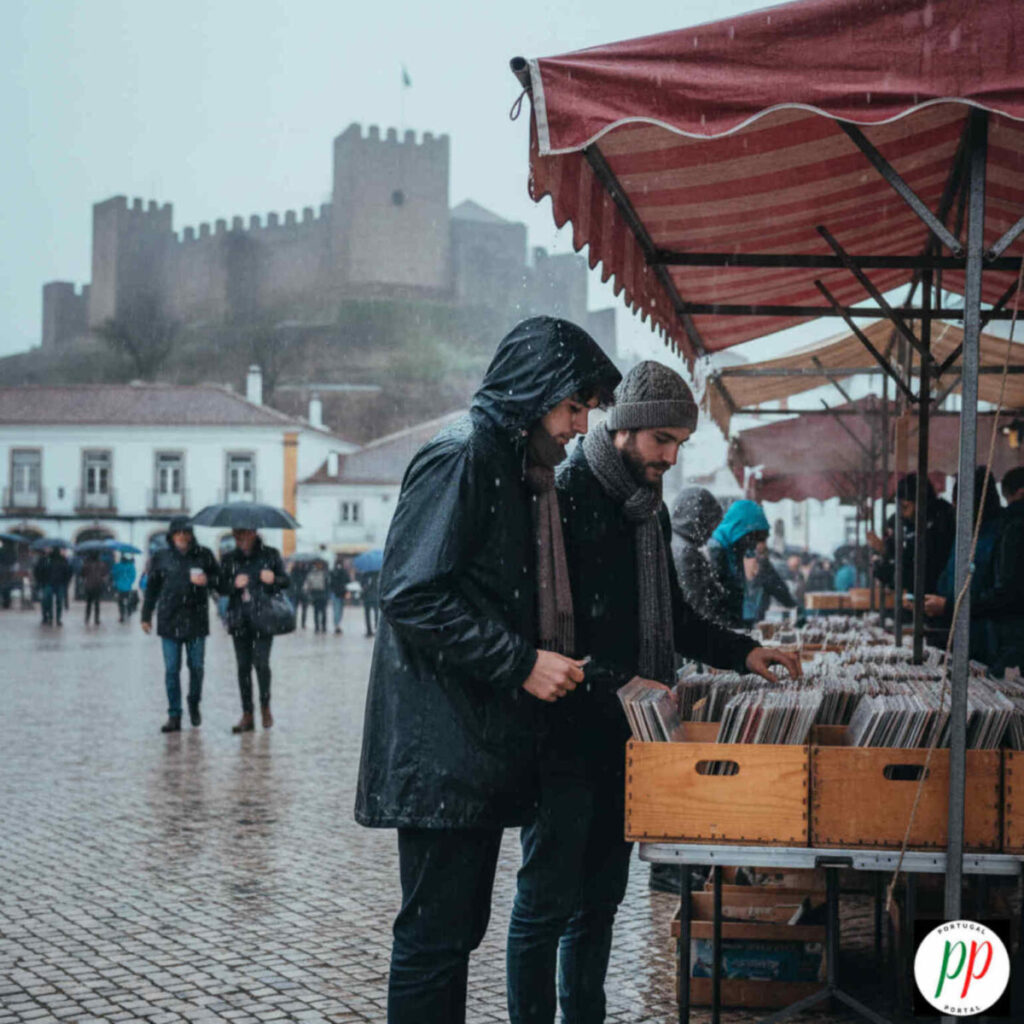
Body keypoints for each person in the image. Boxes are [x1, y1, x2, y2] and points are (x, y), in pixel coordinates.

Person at [505, 361, 802, 1024]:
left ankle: (584, 1014)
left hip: (632, 738)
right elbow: (544, 625)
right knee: (545, 901)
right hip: (561, 730)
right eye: (661, 440)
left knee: (602, 897)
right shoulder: (564, 492)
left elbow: (676, 614)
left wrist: (745, 652)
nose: (670, 456)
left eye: (678, 444)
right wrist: (614, 679)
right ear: (626, 430)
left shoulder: (649, 510)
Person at [354, 316, 621, 1024]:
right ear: (535, 394)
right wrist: (522, 663)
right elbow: (411, 593)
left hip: (466, 743)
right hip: (440, 743)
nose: (579, 425)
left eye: (587, 411)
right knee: (433, 939)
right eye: (573, 408)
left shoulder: (511, 467)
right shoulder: (463, 457)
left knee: (452, 937)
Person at [140, 518, 219, 733]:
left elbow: (219, 579)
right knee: (171, 670)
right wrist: (146, 615)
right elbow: (152, 589)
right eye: (178, 533)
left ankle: (194, 702)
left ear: (191, 534)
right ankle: (174, 714)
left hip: (196, 620)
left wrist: (207, 581)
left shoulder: (204, 555)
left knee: (197, 668)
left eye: (186, 532)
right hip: (169, 620)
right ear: (172, 535)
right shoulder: (161, 557)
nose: (182, 536)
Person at [924, 467, 1004, 666]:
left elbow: (1001, 595)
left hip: (991, 644)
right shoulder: (966, 536)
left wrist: (948, 605)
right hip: (964, 637)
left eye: (958, 502)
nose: (954, 508)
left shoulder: (1002, 535)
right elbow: (948, 579)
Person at [219, 527, 290, 733]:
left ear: (254, 533)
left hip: (263, 618)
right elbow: (219, 586)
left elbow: (286, 581)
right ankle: (247, 714)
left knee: (261, 664)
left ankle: (265, 706)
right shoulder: (229, 559)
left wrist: (273, 579)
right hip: (239, 619)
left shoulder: (270, 555)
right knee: (243, 668)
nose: (242, 539)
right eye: (237, 535)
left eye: (245, 534)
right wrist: (233, 584)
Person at [707, 500, 791, 627]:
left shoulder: (735, 550)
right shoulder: (716, 550)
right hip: (722, 628)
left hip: (738, 625)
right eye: (754, 537)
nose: (754, 544)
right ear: (742, 530)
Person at [869, 473, 955, 596]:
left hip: (938, 598)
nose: (903, 514)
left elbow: (924, 569)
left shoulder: (942, 521)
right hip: (919, 597)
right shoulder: (911, 524)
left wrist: (887, 558)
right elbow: (908, 559)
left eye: (905, 507)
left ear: (921, 503)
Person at [669, 487, 728, 625]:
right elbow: (698, 608)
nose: (712, 532)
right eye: (712, 523)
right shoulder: (685, 554)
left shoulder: (674, 542)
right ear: (700, 520)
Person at [34, 547, 71, 626]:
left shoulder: (48, 560)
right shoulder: (61, 560)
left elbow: (39, 570)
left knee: (49, 601)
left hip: (50, 583)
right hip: (54, 583)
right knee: (57, 602)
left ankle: (51, 618)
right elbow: (67, 572)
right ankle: (56, 619)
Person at [81, 552, 108, 625]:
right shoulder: (102, 564)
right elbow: (104, 574)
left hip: (89, 586)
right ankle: (96, 619)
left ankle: (87, 618)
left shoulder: (86, 564)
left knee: (88, 603)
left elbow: (82, 574)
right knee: (97, 603)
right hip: (98, 585)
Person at [304, 558, 329, 633]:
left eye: (320, 564)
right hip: (315, 593)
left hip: (322, 593)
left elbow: (327, 584)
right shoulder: (311, 573)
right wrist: (307, 590)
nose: (319, 565)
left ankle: (323, 626)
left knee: (323, 612)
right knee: (316, 612)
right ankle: (317, 627)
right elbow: (308, 583)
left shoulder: (325, 573)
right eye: (317, 564)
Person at [329, 554, 351, 635]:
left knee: (336, 609)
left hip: (335, 593)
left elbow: (330, 583)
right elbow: (348, 581)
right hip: (342, 593)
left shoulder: (333, 571)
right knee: (340, 609)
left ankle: (336, 624)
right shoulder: (344, 571)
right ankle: (337, 624)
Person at [111, 554, 137, 622]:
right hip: (128, 587)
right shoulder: (131, 566)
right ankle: (128, 612)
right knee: (128, 601)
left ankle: (122, 615)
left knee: (120, 602)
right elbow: (133, 576)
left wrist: (117, 582)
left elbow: (114, 574)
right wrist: (130, 582)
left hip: (120, 587)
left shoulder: (117, 566)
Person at [359, 568, 380, 636]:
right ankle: (369, 630)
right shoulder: (365, 575)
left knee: (376, 614)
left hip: (374, 597)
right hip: (368, 597)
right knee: (367, 615)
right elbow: (361, 584)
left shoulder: (377, 574)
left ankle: (376, 628)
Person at [290, 560, 310, 628]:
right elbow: (291, 581)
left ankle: (303, 623)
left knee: (304, 609)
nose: (301, 564)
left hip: (304, 592)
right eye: (299, 562)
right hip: (296, 592)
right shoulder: (294, 571)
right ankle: (294, 623)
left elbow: (308, 580)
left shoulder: (306, 570)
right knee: (295, 609)